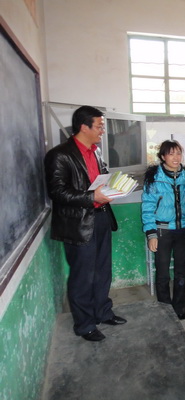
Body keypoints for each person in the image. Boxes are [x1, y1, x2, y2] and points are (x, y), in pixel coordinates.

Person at [44, 105, 126, 342]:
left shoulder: (96, 152)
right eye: (99, 126)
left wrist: (112, 188)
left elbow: (101, 177)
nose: (103, 131)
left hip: (101, 217)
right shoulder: (59, 155)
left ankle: (103, 312)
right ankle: (85, 325)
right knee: (83, 276)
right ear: (84, 127)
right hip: (78, 224)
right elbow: (57, 192)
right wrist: (91, 197)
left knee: (102, 271)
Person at [142, 140, 185, 320]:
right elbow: (147, 207)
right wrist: (151, 234)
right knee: (163, 272)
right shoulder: (153, 178)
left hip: (184, 230)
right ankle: (164, 309)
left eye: (178, 153)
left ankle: (179, 307)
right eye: (171, 154)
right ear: (163, 156)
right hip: (162, 231)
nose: (176, 157)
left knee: (181, 272)